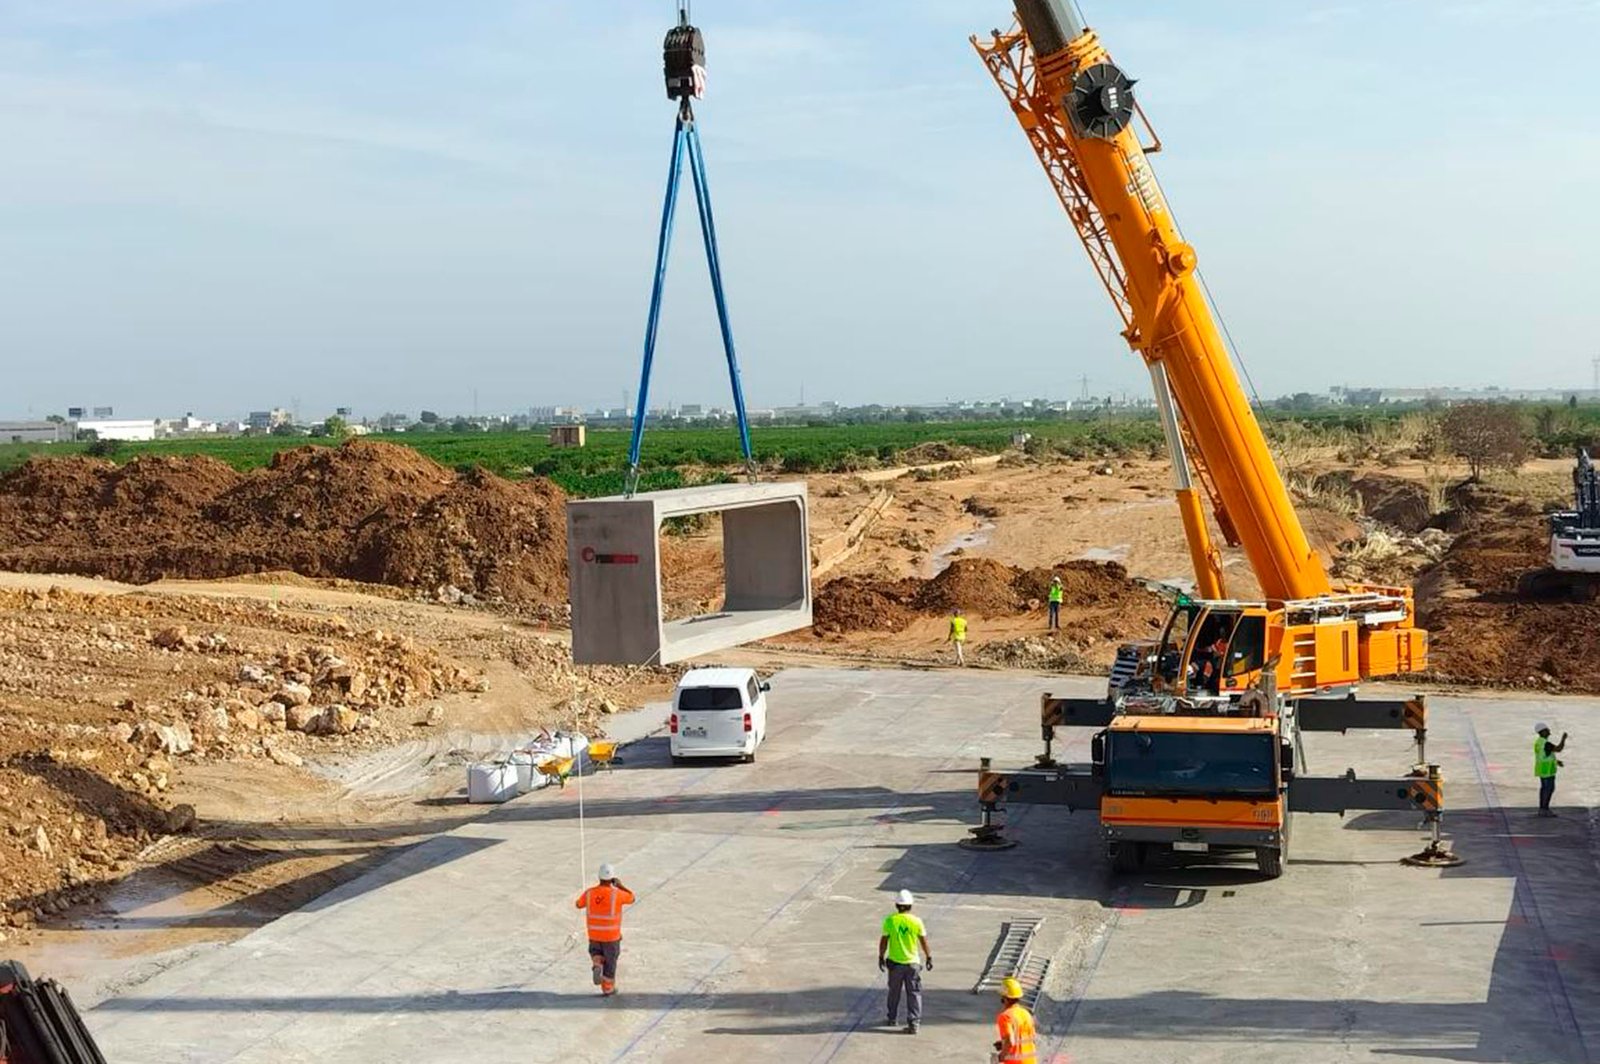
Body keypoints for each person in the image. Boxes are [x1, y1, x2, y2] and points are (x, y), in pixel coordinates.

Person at [575, 863, 636, 995]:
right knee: (610, 961)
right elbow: (632, 898)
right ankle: (608, 988)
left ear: (599, 877)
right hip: (611, 936)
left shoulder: (590, 893)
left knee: (595, 952)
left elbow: (578, 904)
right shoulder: (617, 894)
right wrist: (620, 885)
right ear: (612, 878)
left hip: (594, 934)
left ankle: (597, 963)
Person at [878, 888, 933, 1035]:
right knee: (914, 993)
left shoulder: (890, 921)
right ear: (911, 905)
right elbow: (923, 941)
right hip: (912, 964)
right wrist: (928, 957)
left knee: (894, 992)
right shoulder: (916, 921)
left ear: (897, 905)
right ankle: (914, 1023)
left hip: (895, 964)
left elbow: (884, 941)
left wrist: (880, 956)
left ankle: (892, 1018)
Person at [993, 977, 1037, 1063]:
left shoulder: (1005, 1017)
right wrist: (1003, 1043)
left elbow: (1010, 1041)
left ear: (1004, 998)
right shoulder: (1026, 1013)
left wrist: (1000, 1057)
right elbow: (1030, 1038)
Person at [1534, 722, 1568, 817]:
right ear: (1542, 732)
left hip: (1541, 769)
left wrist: (1556, 762)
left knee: (1544, 789)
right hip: (1547, 771)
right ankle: (1545, 809)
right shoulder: (1546, 743)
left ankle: (1542, 809)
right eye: (1547, 730)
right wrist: (1563, 739)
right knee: (1549, 789)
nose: (1549, 731)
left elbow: (1545, 755)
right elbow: (1558, 749)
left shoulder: (1538, 742)